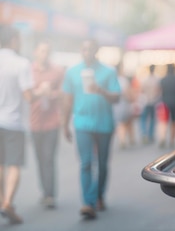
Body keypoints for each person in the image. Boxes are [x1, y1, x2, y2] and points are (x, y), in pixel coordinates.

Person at [62, 38, 120, 219]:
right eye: (84, 48)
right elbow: (67, 99)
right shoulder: (72, 72)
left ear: (97, 50)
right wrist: (64, 124)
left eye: (91, 49)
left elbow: (116, 97)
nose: (87, 52)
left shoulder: (108, 72)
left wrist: (100, 90)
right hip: (82, 124)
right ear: (81, 50)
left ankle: (99, 195)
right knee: (86, 163)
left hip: (104, 124)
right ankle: (88, 202)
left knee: (102, 164)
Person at [0, 26, 33, 225]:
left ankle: (3, 202)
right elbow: (28, 96)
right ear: (13, 40)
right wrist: (42, 92)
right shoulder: (21, 63)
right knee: (13, 165)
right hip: (13, 123)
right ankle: (8, 203)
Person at [29, 40, 64, 209]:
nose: (45, 54)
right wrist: (38, 92)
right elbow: (25, 94)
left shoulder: (57, 71)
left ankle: (50, 194)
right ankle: (44, 191)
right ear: (36, 52)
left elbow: (64, 93)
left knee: (49, 158)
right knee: (40, 159)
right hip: (34, 122)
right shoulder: (29, 71)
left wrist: (51, 93)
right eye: (42, 50)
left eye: (47, 51)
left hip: (52, 123)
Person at [113, 63, 136, 149]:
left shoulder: (113, 80)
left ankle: (123, 140)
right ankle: (128, 139)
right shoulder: (123, 80)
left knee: (121, 123)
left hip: (116, 104)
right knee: (127, 122)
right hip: (124, 104)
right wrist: (132, 99)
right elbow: (127, 92)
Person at [158, 64, 175, 148]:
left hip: (165, 101)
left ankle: (162, 138)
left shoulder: (163, 79)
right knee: (174, 121)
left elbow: (159, 91)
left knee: (163, 121)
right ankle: (172, 139)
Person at [139, 65, 160, 145]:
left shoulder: (144, 79)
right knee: (152, 119)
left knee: (143, 119)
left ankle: (144, 133)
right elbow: (158, 91)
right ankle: (150, 135)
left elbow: (141, 90)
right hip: (153, 101)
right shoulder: (157, 79)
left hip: (145, 101)